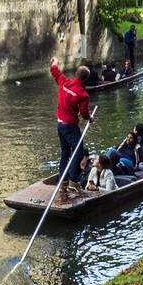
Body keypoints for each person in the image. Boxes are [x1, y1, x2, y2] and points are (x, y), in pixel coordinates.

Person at [50, 57, 92, 194]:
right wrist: (90, 118)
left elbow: (54, 70)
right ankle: (73, 182)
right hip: (70, 126)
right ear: (85, 80)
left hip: (60, 124)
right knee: (79, 151)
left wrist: (56, 61)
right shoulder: (83, 94)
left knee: (65, 153)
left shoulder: (64, 82)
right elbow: (84, 112)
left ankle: (63, 181)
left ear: (76, 74)